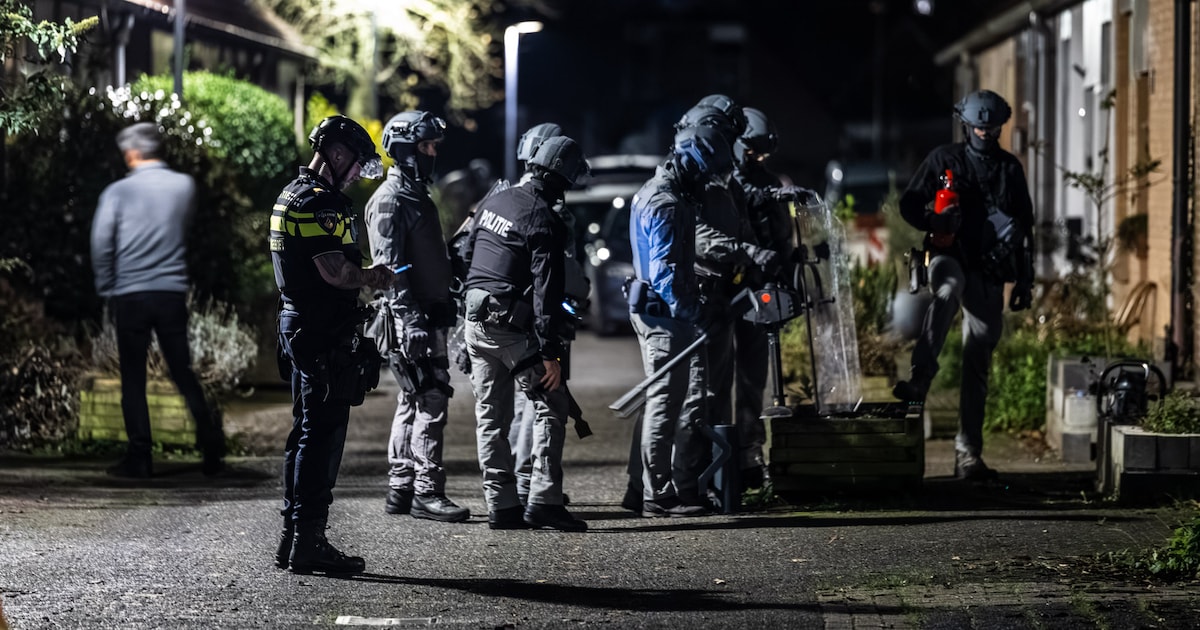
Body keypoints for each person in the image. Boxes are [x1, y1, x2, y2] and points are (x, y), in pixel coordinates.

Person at [271, 115, 394, 574]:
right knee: (322, 437)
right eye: (357, 163)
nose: (358, 173)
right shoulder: (318, 205)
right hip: (319, 331)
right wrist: (374, 277)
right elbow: (334, 272)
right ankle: (309, 542)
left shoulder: (291, 195)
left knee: (304, 433)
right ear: (337, 155)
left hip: (300, 325)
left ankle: (293, 538)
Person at [892, 89, 1035, 481]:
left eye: (992, 129)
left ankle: (967, 454)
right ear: (966, 125)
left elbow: (1025, 226)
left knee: (978, 358)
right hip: (949, 255)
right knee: (946, 289)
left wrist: (1025, 280)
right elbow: (909, 204)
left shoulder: (1009, 169)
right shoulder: (943, 159)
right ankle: (922, 376)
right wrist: (932, 221)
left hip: (989, 269)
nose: (985, 135)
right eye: (979, 128)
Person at [463, 135, 590, 531]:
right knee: (552, 403)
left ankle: (501, 506)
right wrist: (550, 351)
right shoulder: (542, 217)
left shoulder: (495, 200)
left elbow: (466, 254)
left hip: (474, 324)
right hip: (510, 331)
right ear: (560, 181)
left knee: (491, 416)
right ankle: (543, 500)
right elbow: (547, 290)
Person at [90, 121, 224, 480]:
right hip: (171, 291)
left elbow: (102, 243)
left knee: (133, 377)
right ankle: (211, 444)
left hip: (131, 294)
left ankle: (140, 456)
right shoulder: (183, 186)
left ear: (132, 152)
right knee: (182, 370)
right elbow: (183, 228)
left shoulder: (117, 192)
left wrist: (107, 286)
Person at [364, 110, 470, 523]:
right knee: (430, 398)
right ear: (406, 150)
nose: (432, 153)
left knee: (412, 399)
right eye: (426, 146)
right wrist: (410, 321)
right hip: (412, 322)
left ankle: (401, 488)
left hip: (428, 316)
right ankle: (427, 490)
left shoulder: (415, 194)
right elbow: (390, 267)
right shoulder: (390, 200)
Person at [627, 125, 735, 517]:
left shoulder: (657, 191)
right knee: (666, 402)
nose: (707, 181)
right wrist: (694, 315)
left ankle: (658, 487)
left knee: (669, 399)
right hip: (665, 316)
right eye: (705, 172)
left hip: (660, 312)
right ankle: (658, 493)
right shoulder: (667, 203)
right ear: (691, 162)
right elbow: (665, 274)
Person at [731, 106, 797, 490]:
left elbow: (782, 238)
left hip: (762, 290)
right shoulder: (721, 183)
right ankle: (718, 454)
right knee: (717, 379)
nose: (757, 159)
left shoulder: (768, 181)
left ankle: (749, 453)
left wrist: (787, 279)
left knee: (753, 376)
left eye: (762, 152)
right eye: (752, 150)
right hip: (729, 291)